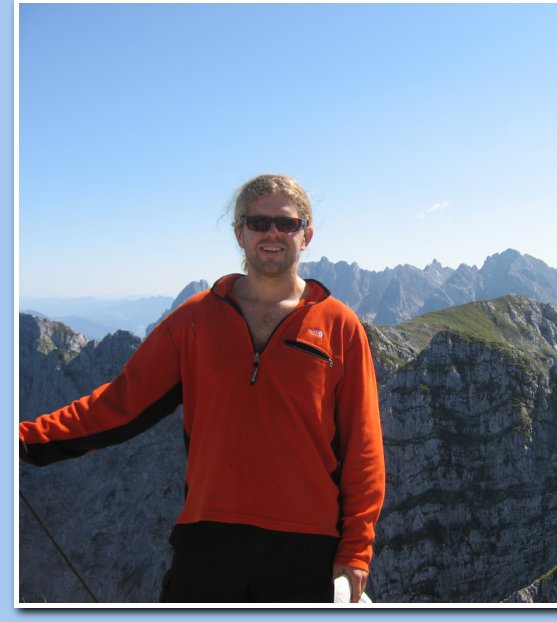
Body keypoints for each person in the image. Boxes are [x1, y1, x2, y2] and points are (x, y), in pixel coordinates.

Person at [19, 173, 386, 604]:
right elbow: (119, 404)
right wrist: (23, 441)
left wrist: (357, 548)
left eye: (286, 224)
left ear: (306, 236)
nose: (272, 233)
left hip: (305, 545)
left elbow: (363, 446)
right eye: (258, 222)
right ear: (239, 234)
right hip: (209, 538)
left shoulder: (339, 325)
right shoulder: (193, 319)